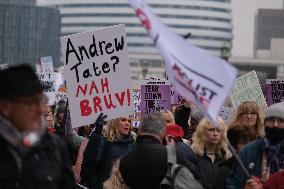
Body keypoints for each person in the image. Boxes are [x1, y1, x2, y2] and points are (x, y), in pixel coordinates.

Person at [0, 64, 77, 189]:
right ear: (5, 107)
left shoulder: (54, 147)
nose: (40, 109)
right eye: (30, 103)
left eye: (41, 100)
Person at [119, 112, 200, 189]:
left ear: (139, 131)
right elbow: (195, 174)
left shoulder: (124, 161)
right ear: (163, 132)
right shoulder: (170, 154)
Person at [227, 101, 284, 188]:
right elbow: (233, 184)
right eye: (271, 120)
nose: (275, 125)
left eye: (280, 121)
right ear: (265, 123)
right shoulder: (249, 151)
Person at [80, 115, 135, 189]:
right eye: (123, 120)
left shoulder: (133, 146)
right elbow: (89, 164)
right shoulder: (103, 142)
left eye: (129, 121)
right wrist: (97, 133)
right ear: (114, 123)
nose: (127, 123)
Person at [189, 117, 232, 189]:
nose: (215, 134)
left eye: (218, 130)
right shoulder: (193, 154)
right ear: (203, 132)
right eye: (211, 130)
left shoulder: (227, 156)